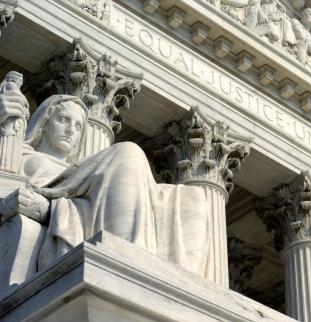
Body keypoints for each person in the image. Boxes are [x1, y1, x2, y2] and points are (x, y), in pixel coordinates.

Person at [0, 90, 211, 276]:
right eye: (63, 119)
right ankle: (128, 264)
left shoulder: (82, 168)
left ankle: (181, 284)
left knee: (193, 197)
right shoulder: (22, 154)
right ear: (44, 123)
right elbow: (7, 194)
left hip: (82, 207)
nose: (71, 130)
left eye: (78, 125)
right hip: (72, 208)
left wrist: (50, 209)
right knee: (128, 152)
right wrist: (5, 124)